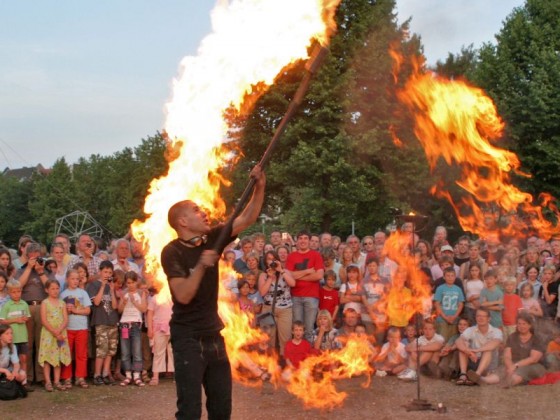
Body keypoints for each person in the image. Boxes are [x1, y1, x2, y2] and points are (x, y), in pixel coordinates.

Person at [160, 165, 265, 420]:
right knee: (189, 410)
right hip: (187, 338)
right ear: (183, 222)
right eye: (196, 210)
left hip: (213, 335)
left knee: (221, 408)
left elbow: (247, 218)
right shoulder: (172, 252)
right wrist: (201, 266)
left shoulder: (213, 238)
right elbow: (183, 295)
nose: (204, 212)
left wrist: (260, 186)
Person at [15, 242, 53, 384]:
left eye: (38, 257)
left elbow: (51, 287)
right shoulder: (22, 270)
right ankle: (28, 377)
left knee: (42, 344)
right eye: (33, 258)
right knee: (28, 344)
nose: (36, 260)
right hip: (26, 307)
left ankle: (42, 376)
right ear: (28, 256)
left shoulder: (46, 269)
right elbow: (18, 285)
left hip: (43, 307)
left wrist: (41, 271)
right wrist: (29, 268)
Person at [286, 231, 324, 343]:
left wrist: (297, 275)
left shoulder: (316, 255)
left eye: (305, 238)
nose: (303, 241)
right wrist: (307, 271)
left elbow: (319, 275)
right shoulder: (292, 256)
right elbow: (288, 275)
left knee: (309, 330)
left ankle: (307, 357)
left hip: (311, 297)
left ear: (309, 241)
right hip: (295, 296)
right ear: (297, 241)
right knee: (297, 330)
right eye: (300, 238)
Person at [86, 260, 119, 386]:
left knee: (111, 349)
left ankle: (106, 373)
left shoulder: (111, 286)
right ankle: (97, 374)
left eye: (109, 272)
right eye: (105, 272)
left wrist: (111, 290)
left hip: (112, 321)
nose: (107, 274)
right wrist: (102, 286)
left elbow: (115, 305)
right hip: (100, 321)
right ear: (100, 272)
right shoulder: (93, 285)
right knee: (102, 349)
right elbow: (96, 302)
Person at [258, 250, 295, 355]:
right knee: (269, 339)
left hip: (285, 310)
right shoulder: (263, 275)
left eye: (274, 259)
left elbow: (292, 284)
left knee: (285, 338)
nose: (272, 261)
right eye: (269, 259)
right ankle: (270, 363)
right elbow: (262, 292)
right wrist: (270, 277)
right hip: (268, 310)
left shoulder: (285, 272)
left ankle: (284, 362)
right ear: (265, 262)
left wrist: (281, 270)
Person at [60, 270, 91, 389]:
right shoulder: (63, 294)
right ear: (67, 279)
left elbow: (88, 310)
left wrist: (75, 311)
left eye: (77, 279)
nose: (75, 281)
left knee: (81, 353)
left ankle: (80, 377)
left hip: (81, 327)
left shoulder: (83, 293)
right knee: (67, 353)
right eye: (72, 279)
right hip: (68, 328)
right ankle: (67, 378)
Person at [38, 279, 71, 392]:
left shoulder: (62, 303)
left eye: (57, 288)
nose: (55, 291)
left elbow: (66, 319)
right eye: (52, 288)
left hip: (60, 335)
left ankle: (57, 381)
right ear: (47, 290)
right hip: (48, 334)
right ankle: (48, 382)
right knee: (47, 358)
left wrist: (59, 331)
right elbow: (44, 320)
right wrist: (54, 332)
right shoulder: (45, 303)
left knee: (58, 356)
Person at [455, 308, 502, 386]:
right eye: (478, 316)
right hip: (475, 359)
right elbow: (458, 341)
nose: (480, 318)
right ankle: (463, 375)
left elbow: (495, 343)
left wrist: (477, 350)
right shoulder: (471, 330)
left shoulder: (496, 331)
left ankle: (477, 375)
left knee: (488, 350)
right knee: (463, 346)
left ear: (489, 319)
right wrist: (468, 351)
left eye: (483, 316)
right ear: (475, 318)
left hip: (489, 363)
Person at [0, 279, 32, 391]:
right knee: (14, 360)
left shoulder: (24, 304)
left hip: (22, 336)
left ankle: (24, 382)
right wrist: (15, 320)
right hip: (11, 339)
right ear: (9, 292)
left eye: (18, 291)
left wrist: (25, 319)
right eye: (13, 292)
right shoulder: (7, 305)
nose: (16, 294)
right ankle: (12, 381)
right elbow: (2, 321)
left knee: (23, 359)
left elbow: (28, 317)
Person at [118, 271, 148, 387]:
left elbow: (144, 309)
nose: (130, 285)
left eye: (133, 282)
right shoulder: (124, 293)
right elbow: (120, 310)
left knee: (137, 352)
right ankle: (128, 375)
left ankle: (136, 375)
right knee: (125, 352)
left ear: (137, 282)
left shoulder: (141, 293)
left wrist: (134, 302)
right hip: (125, 324)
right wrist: (124, 303)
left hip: (135, 324)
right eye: (128, 283)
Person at [502, 312, 546, 387]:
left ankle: (508, 383)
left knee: (522, 371)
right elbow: (507, 356)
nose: (521, 326)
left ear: (530, 325)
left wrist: (515, 366)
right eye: (519, 323)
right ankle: (482, 380)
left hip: (534, 366)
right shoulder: (512, 337)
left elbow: (533, 359)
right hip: (514, 364)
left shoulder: (537, 338)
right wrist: (510, 367)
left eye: (524, 324)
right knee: (501, 370)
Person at [146, 286, 174, 386]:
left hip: (172, 327)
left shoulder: (173, 297)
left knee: (173, 351)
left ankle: (176, 375)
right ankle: (155, 376)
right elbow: (149, 313)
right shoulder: (155, 298)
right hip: (158, 328)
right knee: (158, 351)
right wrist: (149, 328)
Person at [434, 267, 465, 342]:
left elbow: (461, 304)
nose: (450, 278)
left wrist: (455, 316)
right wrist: (445, 317)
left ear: (455, 277)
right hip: (442, 319)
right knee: (442, 339)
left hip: (455, 319)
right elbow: (437, 304)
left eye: (452, 275)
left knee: (453, 339)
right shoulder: (440, 288)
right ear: (444, 277)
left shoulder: (458, 289)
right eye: (448, 276)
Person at [0, 325, 27, 389]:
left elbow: (16, 364)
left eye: (11, 333)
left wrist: (15, 372)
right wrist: (5, 371)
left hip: (7, 370)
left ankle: (20, 387)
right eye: (7, 334)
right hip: (3, 370)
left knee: (22, 374)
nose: (10, 336)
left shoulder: (12, 346)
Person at [502, 277, 524, 342]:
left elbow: (520, 311)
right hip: (503, 324)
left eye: (511, 285)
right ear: (504, 286)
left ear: (514, 286)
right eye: (507, 285)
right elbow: (499, 309)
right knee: (504, 341)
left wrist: (519, 324)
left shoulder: (517, 298)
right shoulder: (501, 297)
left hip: (513, 324)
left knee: (512, 341)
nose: (509, 287)